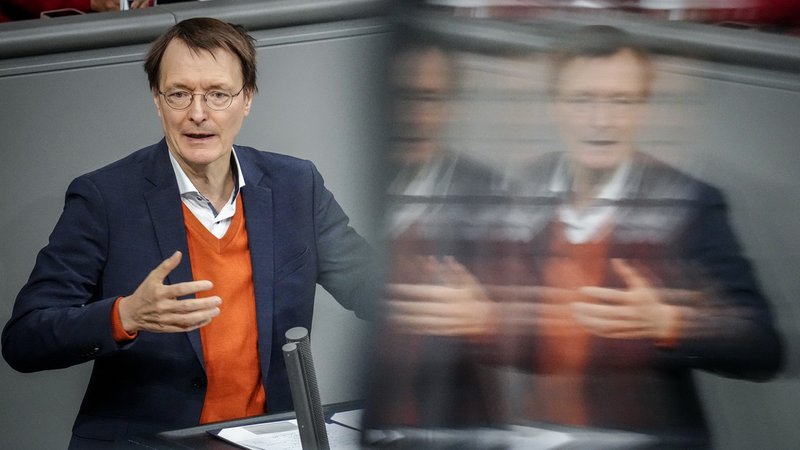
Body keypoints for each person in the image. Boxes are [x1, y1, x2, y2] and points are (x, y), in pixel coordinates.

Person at [382, 26, 782, 448]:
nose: (601, 120)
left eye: (620, 102)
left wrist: (671, 322)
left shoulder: (688, 202)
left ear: (642, 109)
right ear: (556, 105)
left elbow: (762, 347)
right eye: (583, 100)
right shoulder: (519, 191)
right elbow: (529, 338)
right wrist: (479, 320)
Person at [1, 17, 377, 449]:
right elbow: (24, 340)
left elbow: (369, 285)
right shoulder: (104, 197)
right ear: (157, 101)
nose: (198, 113)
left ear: (247, 98)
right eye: (179, 94)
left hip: (269, 438)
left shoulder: (296, 185)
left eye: (218, 94)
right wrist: (124, 316)